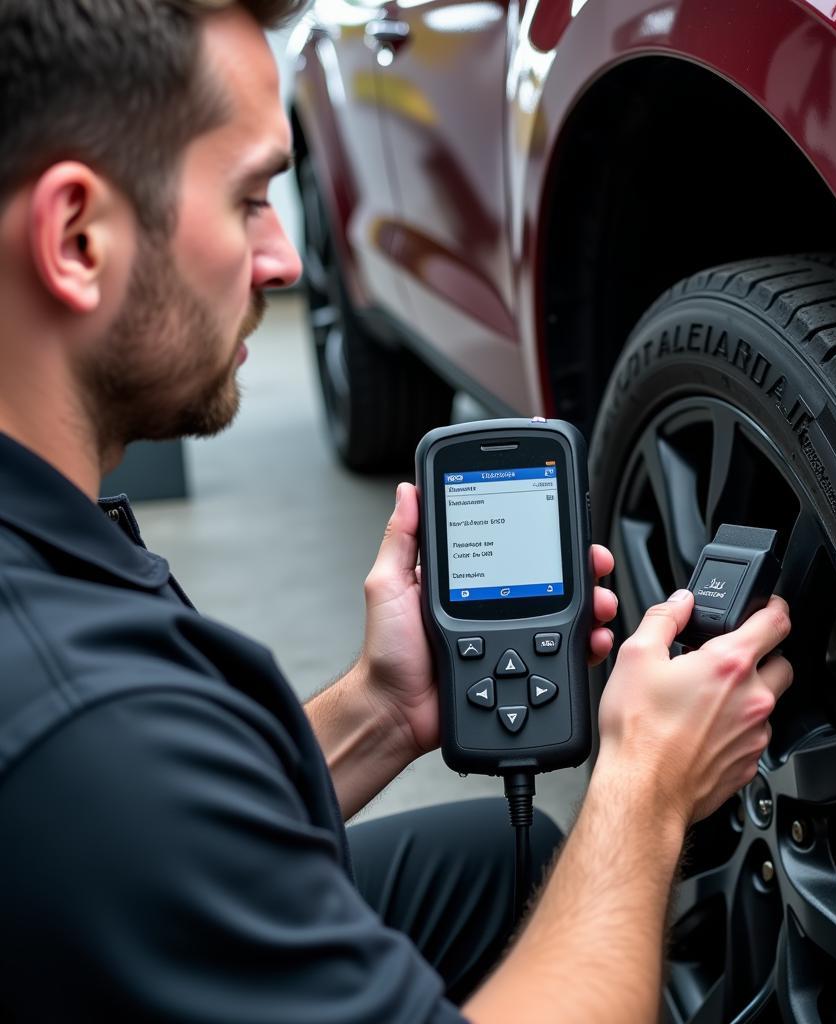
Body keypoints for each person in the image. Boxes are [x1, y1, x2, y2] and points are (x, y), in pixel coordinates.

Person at [0, 1, 793, 1020]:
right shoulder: (90, 724)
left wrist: (384, 707)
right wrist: (642, 790)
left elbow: (157, 834)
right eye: (249, 200)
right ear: (76, 237)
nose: (286, 259)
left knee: (496, 867)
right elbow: (137, 803)